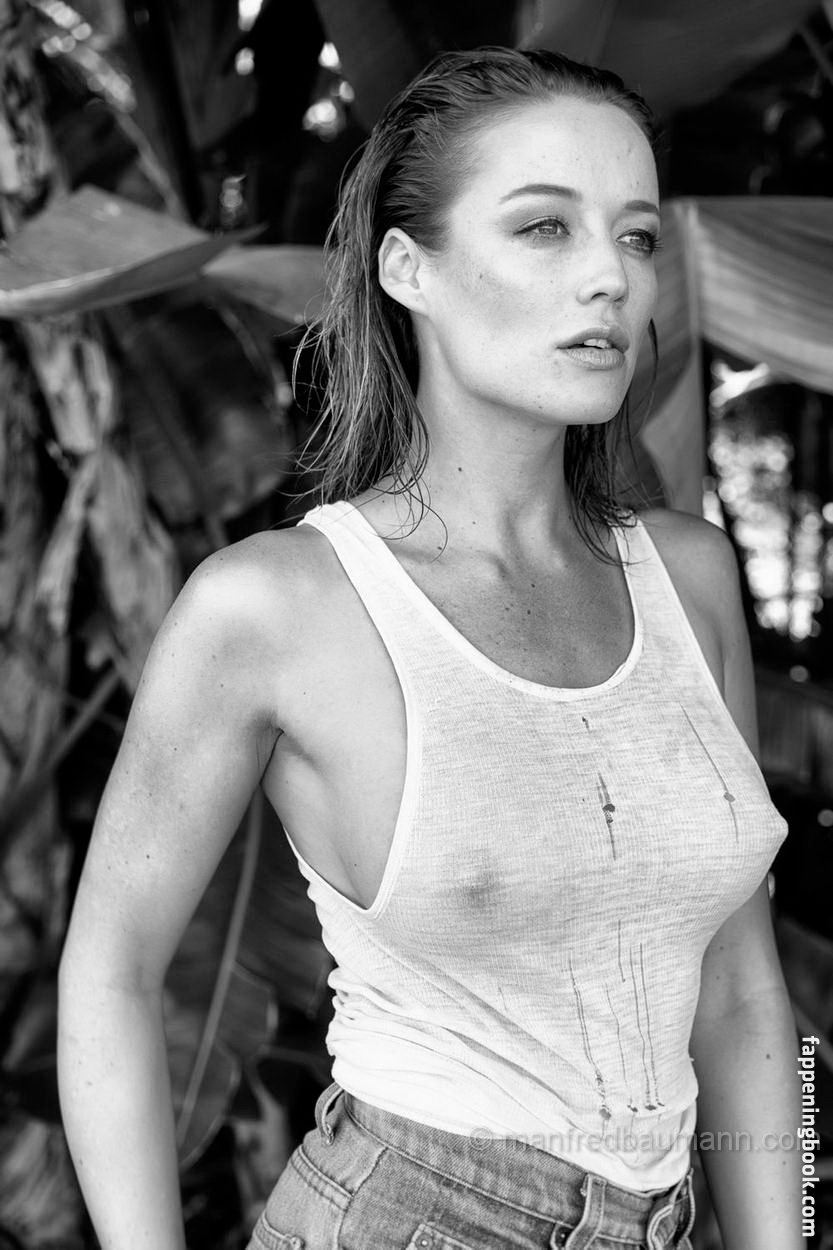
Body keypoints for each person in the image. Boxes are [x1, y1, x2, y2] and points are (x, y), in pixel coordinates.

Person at [57, 46, 804, 1250]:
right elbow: (111, 970)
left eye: (633, 235)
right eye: (543, 228)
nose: (608, 277)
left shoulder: (689, 578)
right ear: (408, 267)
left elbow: (739, 987)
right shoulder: (278, 607)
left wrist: (786, 1226)